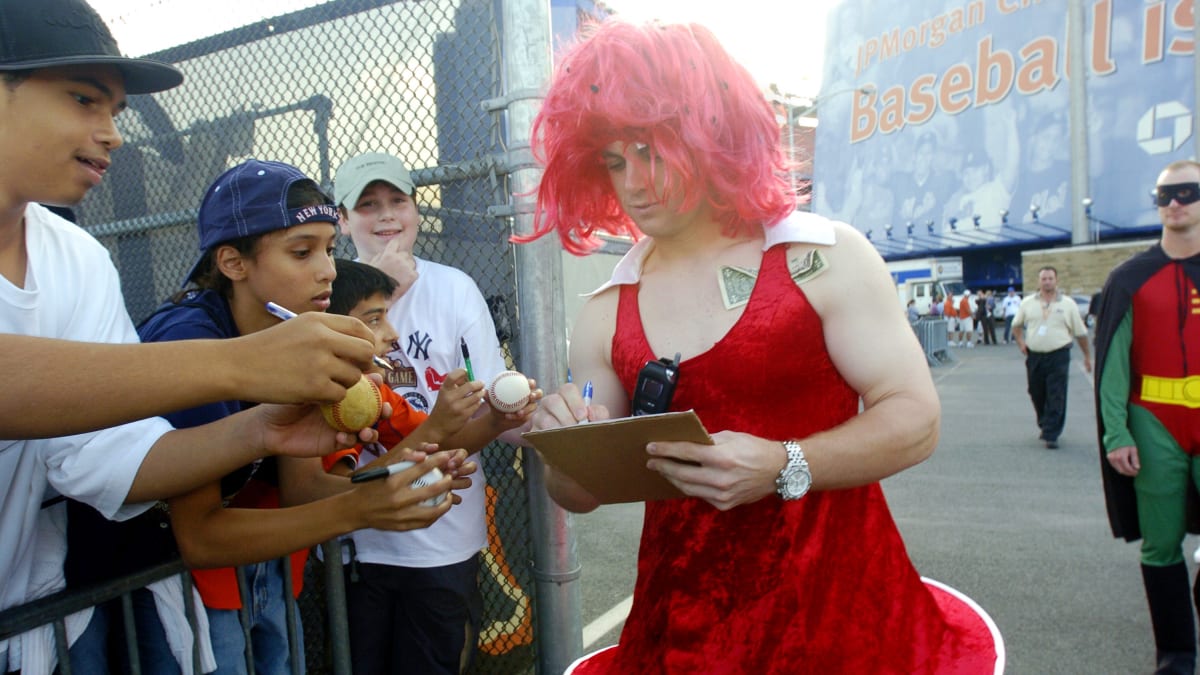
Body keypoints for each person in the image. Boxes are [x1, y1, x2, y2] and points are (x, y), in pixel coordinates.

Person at [520, 20, 999, 672]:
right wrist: (563, 441)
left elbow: (915, 418)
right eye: (613, 159)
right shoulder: (606, 311)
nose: (632, 180)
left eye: (650, 148)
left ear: (708, 129)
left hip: (840, 618)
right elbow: (578, 490)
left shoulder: (825, 259)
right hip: (681, 635)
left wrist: (784, 463)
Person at [0, 3, 379, 672]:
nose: (112, 133)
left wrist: (260, 430)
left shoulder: (77, 257)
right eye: (84, 98)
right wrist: (239, 365)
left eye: (114, 109)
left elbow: (99, 452)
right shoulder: (198, 331)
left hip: (23, 613)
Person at [133, 159, 475, 675]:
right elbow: (201, 538)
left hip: (261, 573)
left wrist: (401, 483)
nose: (329, 270)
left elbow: (301, 486)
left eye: (330, 248)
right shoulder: (191, 341)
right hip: (169, 590)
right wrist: (366, 506)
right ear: (232, 262)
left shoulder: (298, 333)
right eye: (301, 252)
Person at [334, 152, 522, 674]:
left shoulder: (453, 287)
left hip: (441, 528)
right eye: (368, 205)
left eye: (398, 201)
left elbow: (492, 403)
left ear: (418, 210)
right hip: (357, 532)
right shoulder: (327, 290)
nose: (387, 215)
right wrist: (380, 284)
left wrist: (537, 416)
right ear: (344, 220)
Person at [1094, 160, 1200, 674]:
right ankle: (1176, 655)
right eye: (1164, 195)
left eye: (1187, 192)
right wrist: (1116, 433)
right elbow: (1112, 364)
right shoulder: (1130, 278)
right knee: (1161, 546)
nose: (1175, 202)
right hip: (1154, 423)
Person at [1011, 266, 1092, 449]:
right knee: (1036, 391)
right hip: (1035, 356)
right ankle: (1045, 422)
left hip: (1059, 354)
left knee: (1056, 393)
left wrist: (1087, 356)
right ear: (1039, 282)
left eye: (1050, 278)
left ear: (1056, 280)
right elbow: (1016, 326)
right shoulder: (1028, 303)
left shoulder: (1068, 304)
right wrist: (1021, 343)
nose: (1047, 282)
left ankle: (1051, 433)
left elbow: (1080, 333)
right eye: (1044, 279)